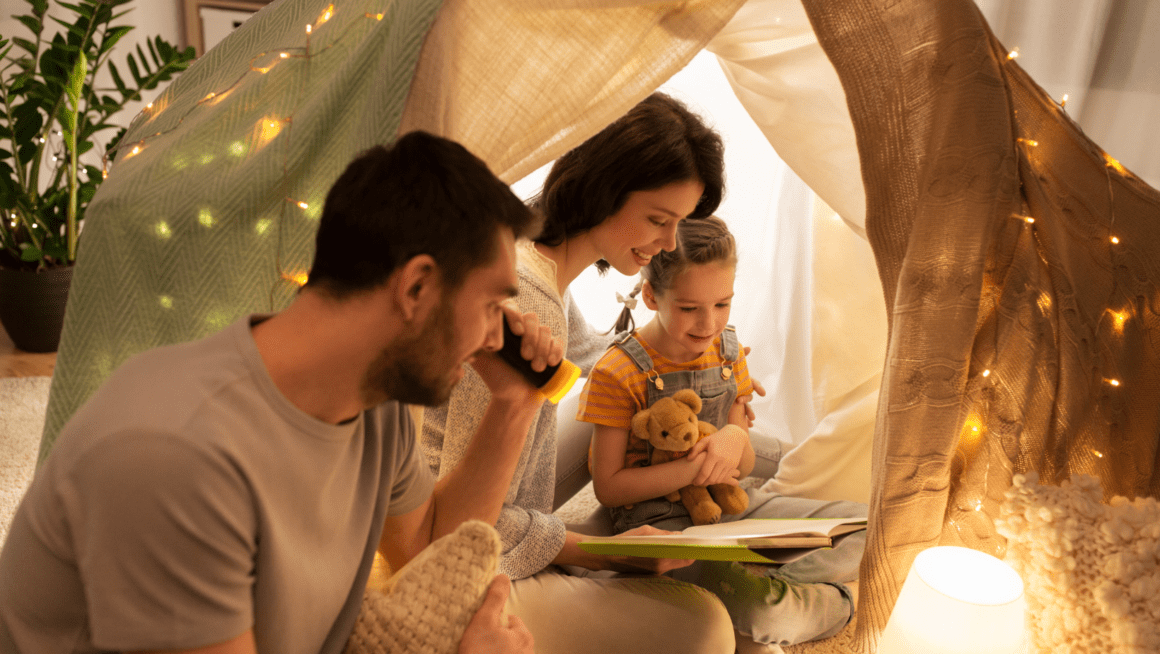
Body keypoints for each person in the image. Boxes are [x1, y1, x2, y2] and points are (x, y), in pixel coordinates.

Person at [0, 131, 554, 654]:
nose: (493, 334)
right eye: (489, 306)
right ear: (416, 287)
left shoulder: (373, 405)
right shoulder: (174, 453)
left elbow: (432, 548)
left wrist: (513, 404)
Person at [422, 92, 763, 653]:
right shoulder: (527, 298)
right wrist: (599, 550)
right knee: (706, 628)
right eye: (658, 220)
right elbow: (465, 527)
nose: (668, 243)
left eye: (678, 224)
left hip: (488, 504)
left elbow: (595, 352)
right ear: (602, 188)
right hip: (459, 562)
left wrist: (700, 362)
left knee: (659, 407)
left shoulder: (535, 259)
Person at [579, 215, 867, 647]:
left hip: (734, 506)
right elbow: (609, 488)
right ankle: (836, 603)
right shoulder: (617, 372)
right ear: (653, 296)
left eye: (722, 304)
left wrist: (735, 438)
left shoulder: (728, 350)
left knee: (869, 527)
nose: (708, 324)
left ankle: (773, 567)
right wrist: (696, 470)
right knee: (765, 612)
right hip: (663, 529)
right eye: (690, 308)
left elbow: (744, 466)